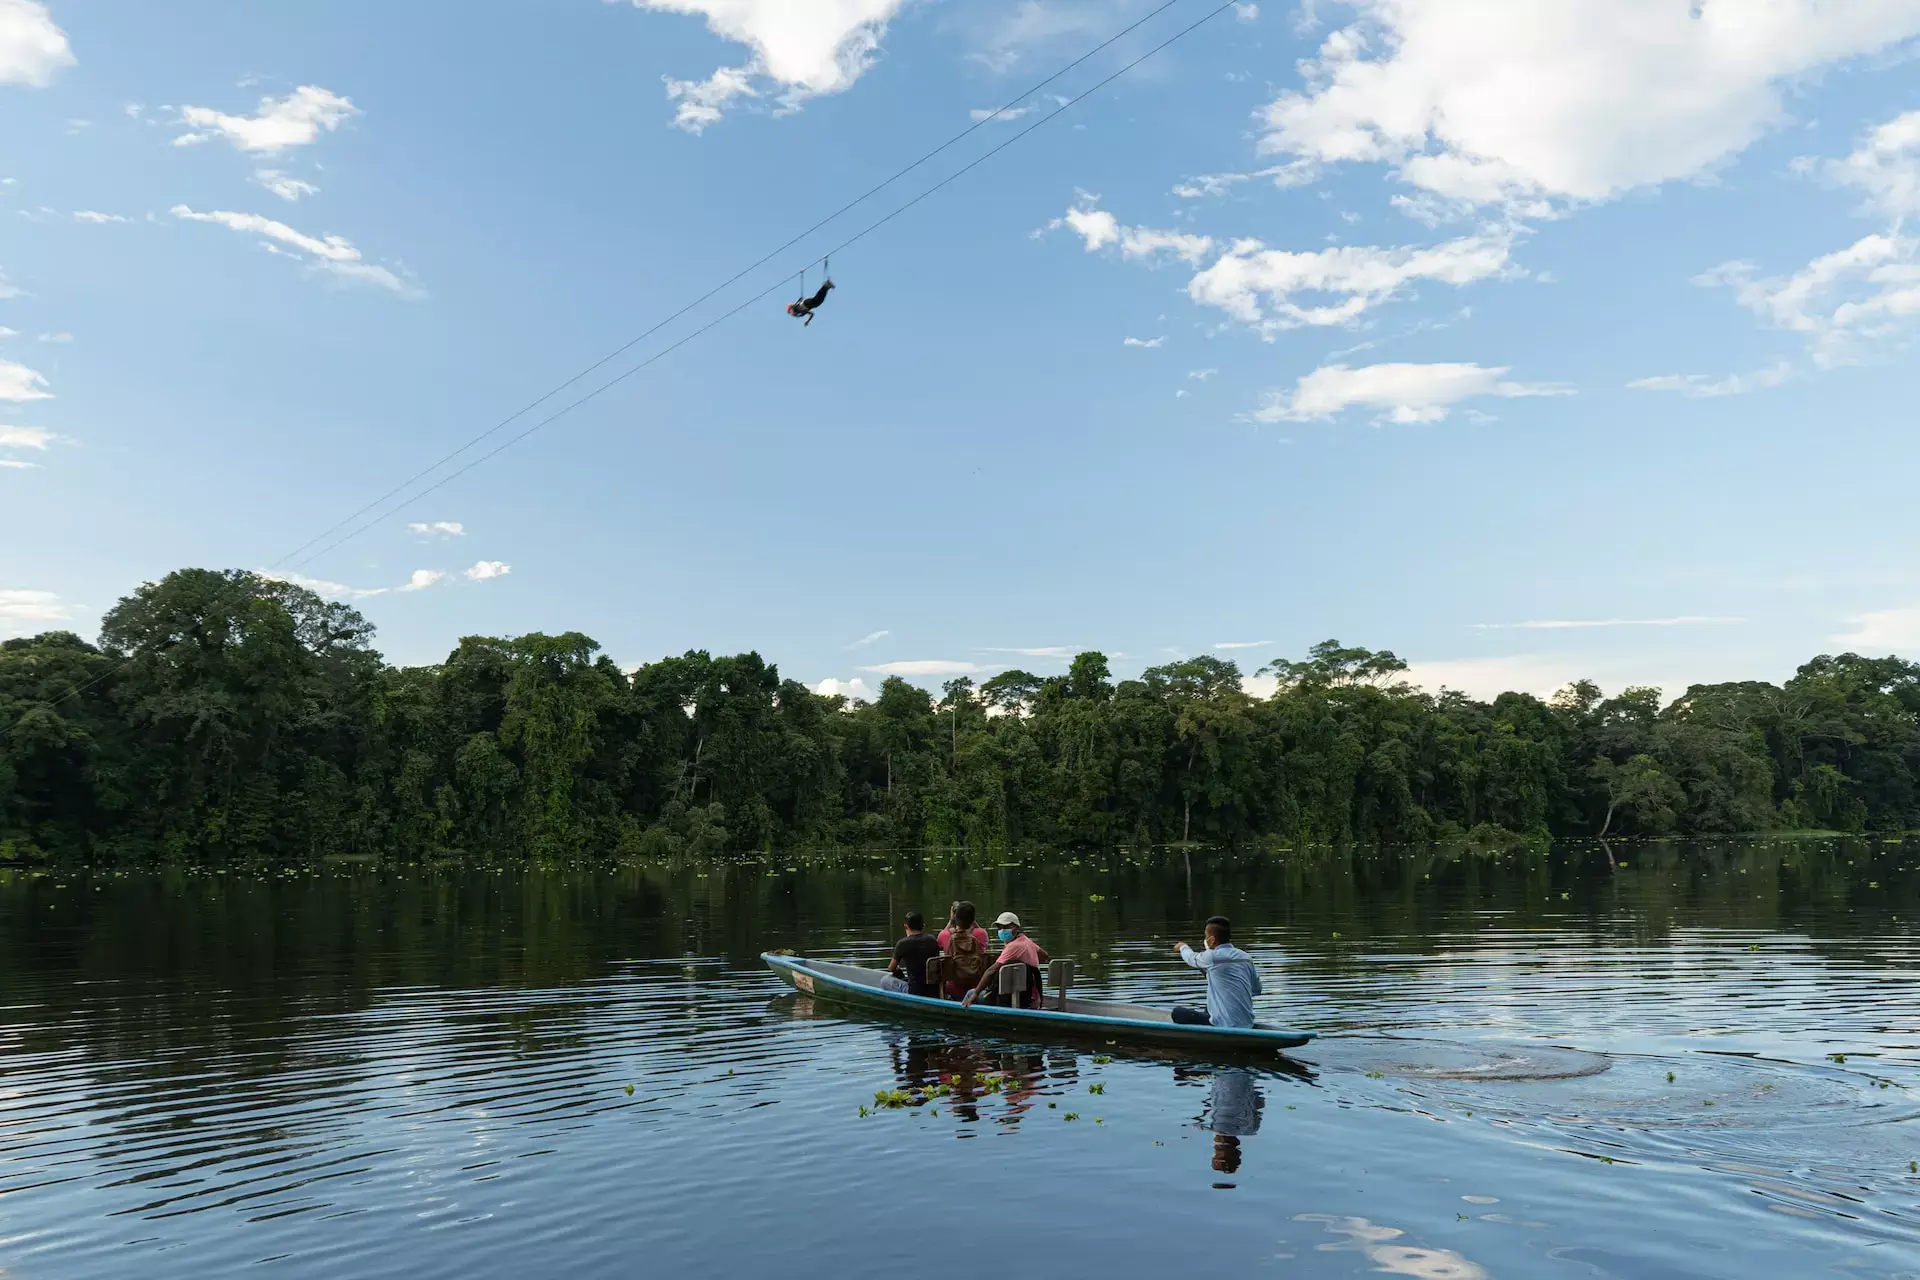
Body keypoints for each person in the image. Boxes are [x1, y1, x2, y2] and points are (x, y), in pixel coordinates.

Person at [1172, 916, 1263, 1029]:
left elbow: (1191, 958)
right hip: (1247, 1023)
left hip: (1224, 1024)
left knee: (1177, 1013)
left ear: (1212, 940)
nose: (1205, 939)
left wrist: (1182, 947)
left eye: (1206, 936)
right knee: (1210, 1005)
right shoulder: (1246, 958)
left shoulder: (1212, 957)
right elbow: (1256, 989)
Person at [961, 912, 1049, 1009]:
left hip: (1014, 999)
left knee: (970, 993)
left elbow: (991, 971)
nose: (1002, 930)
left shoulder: (1013, 946)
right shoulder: (1027, 941)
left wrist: (976, 993)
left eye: (1006, 927)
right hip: (1032, 996)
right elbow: (1045, 956)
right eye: (999, 927)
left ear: (1016, 928)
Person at [937, 901, 991, 1000]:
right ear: (973, 919)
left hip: (952, 989)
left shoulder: (944, 935)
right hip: (977, 987)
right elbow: (979, 930)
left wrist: (951, 920)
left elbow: (938, 944)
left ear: (955, 917)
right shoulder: (981, 934)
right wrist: (971, 920)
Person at [886, 911, 941, 997]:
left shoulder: (902, 943)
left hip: (915, 991)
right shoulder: (932, 940)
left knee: (885, 980)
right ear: (923, 925)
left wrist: (898, 971)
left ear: (905, 926)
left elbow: (891, 968)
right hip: (934, 990)